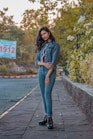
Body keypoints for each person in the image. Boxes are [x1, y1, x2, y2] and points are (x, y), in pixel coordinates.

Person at [35, 26, 60, 129]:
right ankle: (46, 116)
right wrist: (44, 64)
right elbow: (36, 62)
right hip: (41, 72)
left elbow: (53, 63)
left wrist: (48, 76)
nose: (43, 36)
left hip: (50, 72)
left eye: (45, 33)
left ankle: (50, 118)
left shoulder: (55, 45)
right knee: (43, 95)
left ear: (49, 33)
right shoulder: (42, 46)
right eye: (41, 35)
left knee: (47, 94)